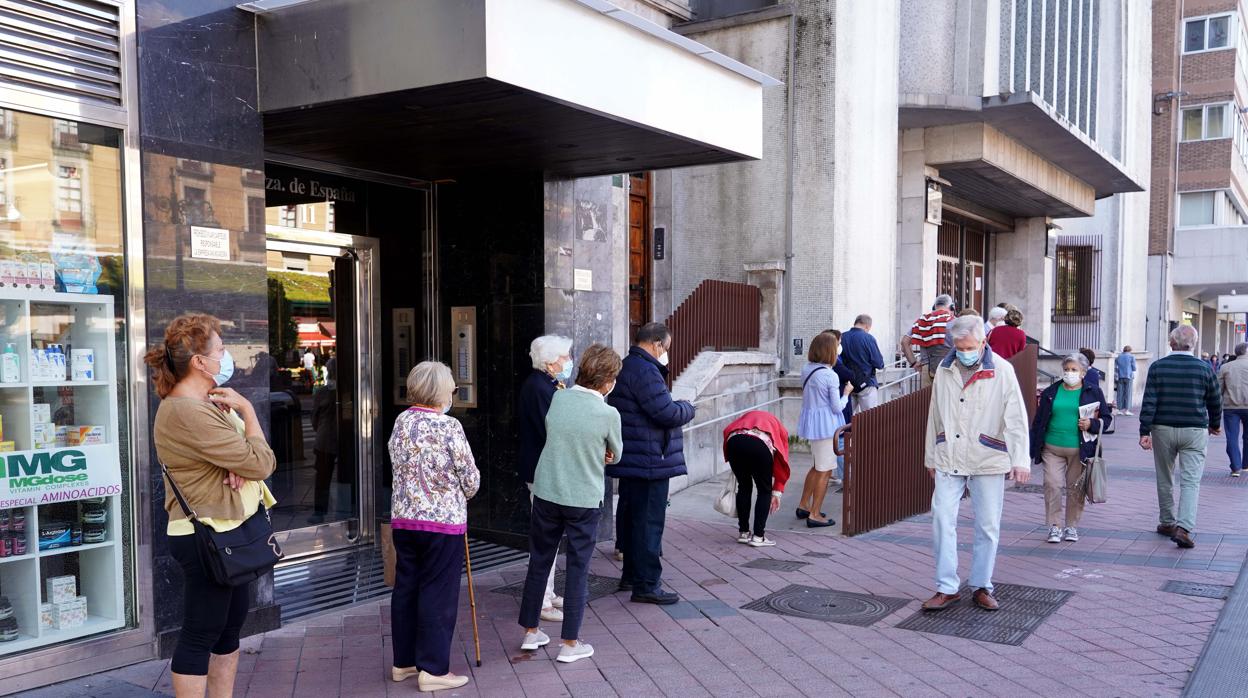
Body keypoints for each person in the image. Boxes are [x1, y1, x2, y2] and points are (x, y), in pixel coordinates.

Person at [146, 314, 277, 698]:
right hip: (203, 534)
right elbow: (261, 463)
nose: (227, 357)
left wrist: (240, 462)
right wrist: (249, 413)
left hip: (229, 528)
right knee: (201, 632)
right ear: (200, 362)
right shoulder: (185, 410)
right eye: (220, 350)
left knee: (230, 626)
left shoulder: (206, 403)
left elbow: (246, 462)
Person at [519, 345, 623, 664]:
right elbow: (615, 453)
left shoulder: (559, 397)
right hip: (582, 497)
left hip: (548, 490)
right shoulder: (608, 413)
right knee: (578, 567)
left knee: (540, 560)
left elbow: (557, 433)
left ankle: (530, 632)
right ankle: (570, 642)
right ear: (607, 381)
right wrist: (603, 452)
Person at [922, 316, 1030, 612]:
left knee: (987, 524)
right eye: (958, 346)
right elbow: (935, 414)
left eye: (969, 346)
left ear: (983, 342)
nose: (963, 351)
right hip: (949, 454)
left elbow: (1016, 418)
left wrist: (1020, 459)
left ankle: (982, 584)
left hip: (988, 455)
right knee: (942, 518)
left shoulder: (1002, 371)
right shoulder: (945, 369)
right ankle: (947, 586)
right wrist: (931, 455)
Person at [388, 361, 480, 691]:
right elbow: (470, 478)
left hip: (404, 519)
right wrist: (462, 492)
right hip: (442, 523)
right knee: (437, 592)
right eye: (452, 388)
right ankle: (433, 669)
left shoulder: (401, 421)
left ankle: (404, 662)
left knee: (406, 587)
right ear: (441, 391)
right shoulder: (449, 426)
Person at [607, 323, 696, 605]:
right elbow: (666, 412)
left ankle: (632, 576)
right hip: (648, 460)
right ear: (657, 344)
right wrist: (688, 407)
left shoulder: (627, 366)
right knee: (649, 523)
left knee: (634, 520)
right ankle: (647, 584)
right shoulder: (646, 370)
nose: (665, 354)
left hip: (634, 458)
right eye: (666, 348)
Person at [1139, 326, 1222, 549]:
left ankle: (1167, 522)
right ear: (1192, 344)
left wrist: (1144, 431)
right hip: (1194, 430)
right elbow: (1215, 399)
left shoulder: (1158, 367)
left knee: (1164, 476)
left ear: (1171, 342)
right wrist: (1214, 424)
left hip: (1162, 428)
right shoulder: (1204, 368)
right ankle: (1184, 528)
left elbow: (1149, 401)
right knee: (1191, 481)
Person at [517, 334, 574, 623]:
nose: (568, 362)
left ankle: (548, 593)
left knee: (549, 537)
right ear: (551, 361)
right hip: (542, 472)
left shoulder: (547, 384)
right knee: (545, 538)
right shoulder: (540, 388)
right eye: (565, 357)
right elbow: (550, 430)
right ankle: (541, 602)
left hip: (543, 470)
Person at [1030, 354, 1112, 544]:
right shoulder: (1051, 391)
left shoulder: (1093, 391)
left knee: (1075, 489)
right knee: (1052, 485)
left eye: (1074, 370)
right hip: (1051, 447)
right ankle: (1054, 527)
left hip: (1080, 450)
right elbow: (1039, 420)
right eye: (1067, 369)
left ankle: (1071, 526)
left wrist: (1091, 423)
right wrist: (1033, 446)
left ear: (1083, 372)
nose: (1069, 373)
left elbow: (1106, 420)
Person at [796, 332, 852, 528]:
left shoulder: (807, 369)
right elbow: (837, 407)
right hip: (827, 426)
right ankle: (815, 513)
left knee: (816, 466)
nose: (838, 349)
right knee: (825, 470)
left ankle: (804, 505)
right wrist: (846, 393)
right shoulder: (830, 375)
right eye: (836, 345)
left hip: (813, 423)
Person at [722, 411, 791, 547]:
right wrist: (777, 492)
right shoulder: (778, 427)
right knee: (764, 491)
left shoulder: (744, 418)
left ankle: (743, 533)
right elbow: (782, 460)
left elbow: (727, 430)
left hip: (734, 442)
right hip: (759, 446)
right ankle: (758, 536)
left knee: (744, 486)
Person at [903, 294, 956, 388]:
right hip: (950, 368)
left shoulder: (921, 321)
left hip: (926, 369)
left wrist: (914, 363)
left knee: (927, 400)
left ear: (934, 307)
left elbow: (904, 342)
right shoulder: (955, 322)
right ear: (952, 307)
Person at [310, 363, 339, 523]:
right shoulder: (348, 390)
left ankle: (319, 511)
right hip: (338, 438)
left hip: (325, 438)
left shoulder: (323, 392)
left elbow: (314, 417)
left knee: (322, 477)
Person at [840, 314, 886, 412]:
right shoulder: (868, 338)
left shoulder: (842, 337)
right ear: (867, 326)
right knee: (869, 420)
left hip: (847, 384)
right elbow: (879, 363)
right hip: (867, 383)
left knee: (847, 420)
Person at [1219, 343, 1248, 476]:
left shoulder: (1225, 367)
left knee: (1232, 437)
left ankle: (1235, 467)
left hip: (1231, 406)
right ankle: (1246, 465)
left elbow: (1218, 389)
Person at [1115, 345, 1137, 416]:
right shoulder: (1131, 357)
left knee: (1120, 393)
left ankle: (1119, 409)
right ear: (1130, 350)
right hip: (1128, 376)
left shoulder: (1119, 357)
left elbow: (1116, 367)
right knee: (1128, 393)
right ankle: (1127, 410)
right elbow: (1134, 368)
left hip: (1120, 376)